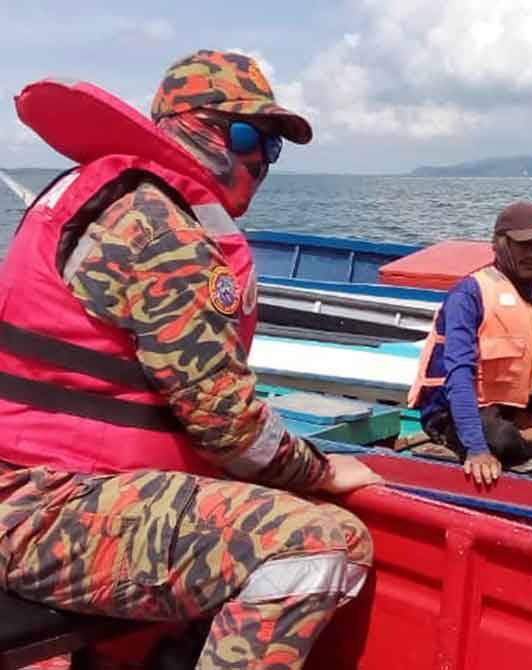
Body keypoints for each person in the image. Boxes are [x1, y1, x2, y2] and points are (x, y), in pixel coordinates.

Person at [0, 50, 381, 669]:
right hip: (39, 506)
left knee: (308, 532)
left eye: (272, 147)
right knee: (311, 546)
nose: (259, 160)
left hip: (52, 490)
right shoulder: (157, 224)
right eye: (247, 136)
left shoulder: (115, 196)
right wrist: (320, 471)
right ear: (188, 124)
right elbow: (226, 424)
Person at [408, 202, 532, 487]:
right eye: (522, 245)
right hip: (451, 412)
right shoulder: (469, 294)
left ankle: (529, 423)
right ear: (498, 245)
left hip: (502, 409)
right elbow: (458, 375)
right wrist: (476, 449)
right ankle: (524, 438)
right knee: (500, 440)